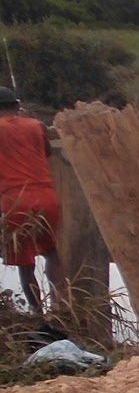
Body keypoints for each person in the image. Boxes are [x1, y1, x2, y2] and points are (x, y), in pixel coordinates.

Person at [0, 86, 61, 314]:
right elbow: (46, 152)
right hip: (47, 196)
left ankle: (38, 313)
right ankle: (61, 305)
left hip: (14, 200)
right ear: (16, 106)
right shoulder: (36, 125)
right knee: (52, 252)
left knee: (25, 263)